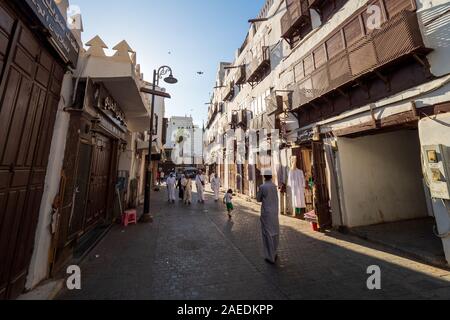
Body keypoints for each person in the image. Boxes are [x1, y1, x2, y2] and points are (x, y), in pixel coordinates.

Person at [257, 172, 280, 265]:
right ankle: (274, 252)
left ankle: (270, 256)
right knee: (275, 232)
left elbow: (258, 199)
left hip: (266, 213)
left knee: (267, 234)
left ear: (264, 177)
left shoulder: (262, 187)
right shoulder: (274, 186)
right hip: (274, 212)